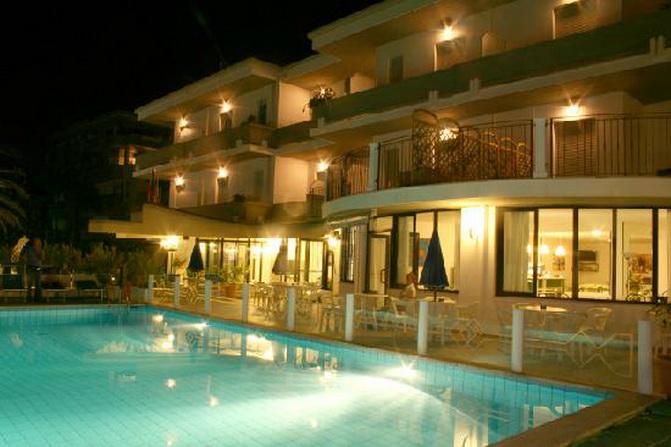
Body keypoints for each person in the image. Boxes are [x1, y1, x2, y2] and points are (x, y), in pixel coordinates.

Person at [23, 237, 44, 303]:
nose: (38, 243)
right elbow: (25, 257)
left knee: (38, 284)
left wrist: (39, 252)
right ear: (34, 242)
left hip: (38, 268)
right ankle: (29, 298)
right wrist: (27, 262)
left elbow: (42, 258)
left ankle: (37, 299)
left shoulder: (41, 250)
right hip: (31, 267)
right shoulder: (29, 249)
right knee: (29, 284)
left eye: (39, 242)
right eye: (37, 242)